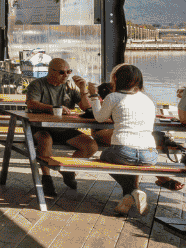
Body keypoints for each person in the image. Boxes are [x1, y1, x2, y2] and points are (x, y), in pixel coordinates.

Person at [91, 64, 158, 216]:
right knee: (132, 164)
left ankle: (133, 192)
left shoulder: (113, 97)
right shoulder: (148, 100)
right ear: (140, 81)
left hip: (123, 150)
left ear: (116, 79)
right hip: (150, 154)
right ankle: (130, 195)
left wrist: (94, 97)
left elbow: (99, 118)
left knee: (104, 157)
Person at [25, 58, 97, 198]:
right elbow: (31, 103)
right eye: (62, 72)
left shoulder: (69, 87)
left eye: (69, 71)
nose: (66, 75)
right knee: (45, 141)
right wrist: (53, 108)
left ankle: (67, 170)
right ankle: (46, 179)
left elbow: (86, 107)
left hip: (63, 128)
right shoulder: (38, 85)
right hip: (39, 127)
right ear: (50, 71)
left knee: (91, 146)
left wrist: (83, 90)